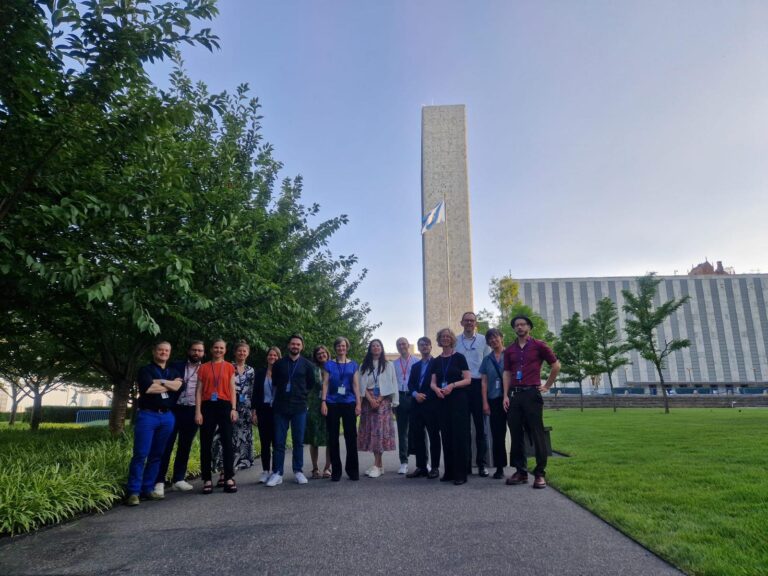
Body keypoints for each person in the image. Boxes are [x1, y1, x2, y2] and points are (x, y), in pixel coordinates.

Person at [503, 315, 560, 489]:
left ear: (529, 327)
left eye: (522, 324)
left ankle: (540, 473)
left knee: (537, 433)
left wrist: (548, 385)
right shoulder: (509, 350)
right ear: (514, 329)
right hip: (514, 395)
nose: (519, 327)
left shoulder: (539, 345)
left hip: (532, 394)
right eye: (516, 325)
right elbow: (507, 373)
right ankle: (520, 472)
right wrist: (505, 395)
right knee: (516, 433)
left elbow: (556, 365)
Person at [125, 341, 183, 506]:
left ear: (169, 353)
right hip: (147, 415)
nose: (163, 352)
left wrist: (160, 382)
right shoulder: (145, 370)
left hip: (167, 417)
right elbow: (148, 389)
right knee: (140, 454)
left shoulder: (173, 371)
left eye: (167, 350)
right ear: (154, 351)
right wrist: (169, 385)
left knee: (157, 455)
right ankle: (134, 492)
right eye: (160, 350)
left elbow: (179, 387)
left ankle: (148, 489)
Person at [154, 340, 205, 495]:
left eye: (200, 351)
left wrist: (200, 412)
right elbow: (165, 383)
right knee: (166, 445)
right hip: (174, 409)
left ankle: (178, 479)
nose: (196, 353)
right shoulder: (176, 366)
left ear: (203, 353)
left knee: (185, 445)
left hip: (193, 410)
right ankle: (159, 481)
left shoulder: (205, 368)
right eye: (194, 350)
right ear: (189, 351)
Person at [267, 334, 316, 487]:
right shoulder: (279, 364)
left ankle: (298, 471)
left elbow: (310, 384)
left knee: (298, 441)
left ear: (302, 347)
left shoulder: (308, 365)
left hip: (299, 407)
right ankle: (278, 473)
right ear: (288, 346)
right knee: (279, 442)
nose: (295, 346)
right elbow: (275, 383)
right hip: (280, 407)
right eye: (293, 344)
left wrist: (302, 396)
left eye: (298, 344)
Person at [195, 339, 238, 494]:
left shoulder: (229, 367)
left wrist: (234, 408)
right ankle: (207, 479)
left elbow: (232, 389)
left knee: (227, 442)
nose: (218, 350)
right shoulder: (204, 367)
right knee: (206, 443)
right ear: (211, 349)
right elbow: (198, 391)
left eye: (221, 348)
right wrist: (198, 411)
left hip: (225, 405)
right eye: (216, 347)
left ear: (225, 350)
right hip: (207, 406)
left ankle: (228, 477)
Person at [430, 328, 472, 485]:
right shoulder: (436, 361)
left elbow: (468, 379)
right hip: (442, 400)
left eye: (448, 336)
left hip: (458, 399)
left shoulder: (459, 357)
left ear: (452, 339)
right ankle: (449, 471)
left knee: (459, 436)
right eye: (442, 337)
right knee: (446, 436)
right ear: (439, 340)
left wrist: (452, 385)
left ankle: (461, 473)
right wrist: (436, 389)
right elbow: (432, 382)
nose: (445, 339)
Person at [211, 341, 254, 484]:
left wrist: (254, 411)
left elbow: (254, 391)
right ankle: (224, 472)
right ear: (234, 352)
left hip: (245, 410)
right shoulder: (227, 367)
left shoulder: (251, 370)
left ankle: (232, 471)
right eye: (239, 351)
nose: (242, 353)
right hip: (229, 407)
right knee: (225, 440)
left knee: (240, 442)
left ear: (248, 353)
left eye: (244, 351)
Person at [321, 336, 361, 481]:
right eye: (338, 346)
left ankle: (352, 471)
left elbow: (356, 385)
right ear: (335, 348)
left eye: (343, 346)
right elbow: (325, 383)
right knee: (333, 438)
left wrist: (358, 404)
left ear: (347, 347)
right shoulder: (329, 365)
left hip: (349, 402)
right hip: (332, 403)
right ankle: (336, 471)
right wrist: (323, 401)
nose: (341, 348)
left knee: (351, 437)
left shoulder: (353, 365)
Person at [455, 311, 491, 477]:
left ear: (476, 323)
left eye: (472, 320)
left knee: (480, 428)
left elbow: (489, 363)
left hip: (478, 385)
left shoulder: (484, 340)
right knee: (463, 428)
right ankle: (466, 464)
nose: (469, 323)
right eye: (466, 320)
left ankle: (482, 464)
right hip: (462, 387)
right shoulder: (456, 341)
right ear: (461, 323)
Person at [357, 338, 398, 478]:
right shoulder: (364, 365)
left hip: (383, 403)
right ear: (370, 349)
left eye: (378, 345)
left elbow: (392, 383)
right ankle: (379, 466)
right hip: (369, 403)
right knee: (372, 433)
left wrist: (379, 399)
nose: (375, 348)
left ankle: (377, 464)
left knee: (380, 434)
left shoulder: (388, 365)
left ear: (382, 348)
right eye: (373, 346)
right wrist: (370, 399)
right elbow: (361, 385)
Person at [405, 336, 441, 479]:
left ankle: (435, 467)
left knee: (433, 437)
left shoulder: (437, 363)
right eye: (421, 345)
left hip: (431, 405)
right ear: (418, 348)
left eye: (426, 344)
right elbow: (410, 384)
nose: (424, 347)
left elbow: (437, 383)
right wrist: (415, 394)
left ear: (431, 347)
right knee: (418, 437)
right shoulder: (415, 366)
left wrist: (424, 395)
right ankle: (421, 467)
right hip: (416, 406)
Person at [480, 328, 508, 479]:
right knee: (497, 435)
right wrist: (485, 403)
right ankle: (499, 467)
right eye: (490, 339)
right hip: (494, 400)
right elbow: (484, 382)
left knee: (516, 434)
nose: (493, 340)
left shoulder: (510, 354)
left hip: (511, 399)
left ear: (501, 338)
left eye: (495, 337)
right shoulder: (487, 359)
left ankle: (520, 467)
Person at [252, 347, 280, 484]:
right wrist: (254, 412)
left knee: (277, 442)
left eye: (275, 355)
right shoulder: (261, 372)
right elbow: (256, 393)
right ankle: (265, 471)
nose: (272, 357)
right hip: (263, 410)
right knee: (264, 443)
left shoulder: (281, 373)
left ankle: (276, 471)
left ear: (278, 357)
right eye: (270, 354)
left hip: (277, 411)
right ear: (267, 357)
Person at [306, 345, 331, 479]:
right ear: (315, 356)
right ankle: (315, 468)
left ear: (327, 353)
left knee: (330, 438)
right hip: (315, 405)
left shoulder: (333, 367)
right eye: (318, 353)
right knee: (314, 438)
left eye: (323, 353)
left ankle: (327, 467)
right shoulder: (312, 369)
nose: (321, 355)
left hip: (331, 404)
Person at [393, 337, 416, 475]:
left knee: (419, 430)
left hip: (413, 396)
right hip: (400, 396)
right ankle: (404, 461)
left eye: (404, 344)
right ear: (397, 347)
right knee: (402, 431)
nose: (402, 346)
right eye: (399, 344)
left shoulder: (416, 362)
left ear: (408, 345)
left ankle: (423, 460)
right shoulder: (393, 364)